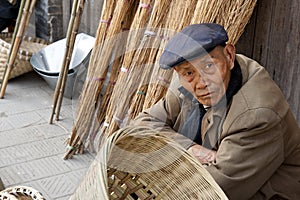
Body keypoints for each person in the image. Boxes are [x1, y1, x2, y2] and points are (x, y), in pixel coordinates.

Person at [133, 23, 300, 199]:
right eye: (189, 73)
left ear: (229, 55)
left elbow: (210, 192)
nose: (202, 83)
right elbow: (142, 126)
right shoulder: (186, 83)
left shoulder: (256, 115)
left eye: (209, 66)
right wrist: (191, 149)